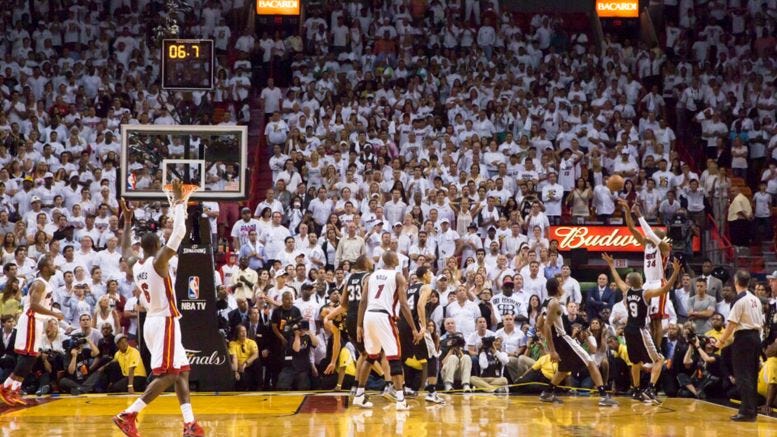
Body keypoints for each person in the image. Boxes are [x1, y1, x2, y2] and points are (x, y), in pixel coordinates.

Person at [112, 182, 204, 437]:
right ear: (158, 246)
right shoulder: (159, 261)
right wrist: (180, 202)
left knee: (182, 372)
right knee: (167, 375)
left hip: (154, 321)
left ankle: (189, 423)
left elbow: (123, 250)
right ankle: (128, 414)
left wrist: (128, 221)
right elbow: (180, 232)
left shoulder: (136, 264)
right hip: (164, 321)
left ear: (141, 247)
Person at [603, 253, 681, 404]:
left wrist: (612, 265)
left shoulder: (627, 291)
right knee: (659, 360)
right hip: (639, 329)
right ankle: (650, 389)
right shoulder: (645, 293)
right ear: (640, 281)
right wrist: (676, 272)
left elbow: (618, 280)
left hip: (628, 330)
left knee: (635, 362)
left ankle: (637, 390)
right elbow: (665, 289)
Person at [352, 251, 420, 410]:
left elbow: (362, 301)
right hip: (384, 317)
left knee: (370, 356)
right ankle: (401, 400)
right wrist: (414, 328)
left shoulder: (371, 276)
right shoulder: (398, 276)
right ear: (394, 261)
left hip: (369, 316)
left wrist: (359, 326)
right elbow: (403, 305)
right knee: (394, 357)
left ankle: (359, 395)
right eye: (397, 257)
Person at [537, 277, 617, 406]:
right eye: (560, 285)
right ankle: (603, 396)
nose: (562, 287)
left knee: (563, 369)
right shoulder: (554, 304)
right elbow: (546, 325)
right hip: (564, 339)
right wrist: (552, 350)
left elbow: (539, 323)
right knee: (590, 361)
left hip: (558, 341)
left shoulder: (546, 303)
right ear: (557, 288)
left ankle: (547, 393)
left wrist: (550, 342)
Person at [0, 256, 64, 406]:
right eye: (51, 264)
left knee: (32, 357)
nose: (54, 266)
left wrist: (52, 313)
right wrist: (54, 314)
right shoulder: (39, 284)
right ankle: (6, 387)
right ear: (45, 268)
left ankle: (14, 389)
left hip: (37, 321)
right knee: (27, 357)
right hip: (30, 319)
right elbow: (33, 306)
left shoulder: (45, 284)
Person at [620, 200, 672, 347]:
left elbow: (648, 232)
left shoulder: (665, 248)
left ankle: (657, 351)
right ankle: (649, 348)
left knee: (657, 320)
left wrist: (639, 214)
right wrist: (626, 211)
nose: (648, 237)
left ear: (658, 238)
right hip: (647, 284)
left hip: (658, 283)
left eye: (652, 236)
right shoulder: (647, 246)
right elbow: (631, 228)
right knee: (647, 319)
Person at [716, 270, 765, 422]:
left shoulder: (738, 299)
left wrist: (720, 342)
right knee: (752, 374)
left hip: (744, 338)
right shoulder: (755, 299)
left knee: (742, 374)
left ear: (735, 281)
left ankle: (747, 411)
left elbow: (731, 324)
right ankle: (750, 409)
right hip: (756, 337)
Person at [398, 267, 445, 404]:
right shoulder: (426, 287)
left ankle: (407, 388)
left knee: (407, 357)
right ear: (424, 275)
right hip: (416, 323)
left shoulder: (410, 288)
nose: (431, 275)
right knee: (433, 356)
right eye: (429, 273)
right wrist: (423, 326)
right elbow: (419, 305)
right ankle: (432, 392)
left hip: (404, 323)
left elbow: (404, 305)